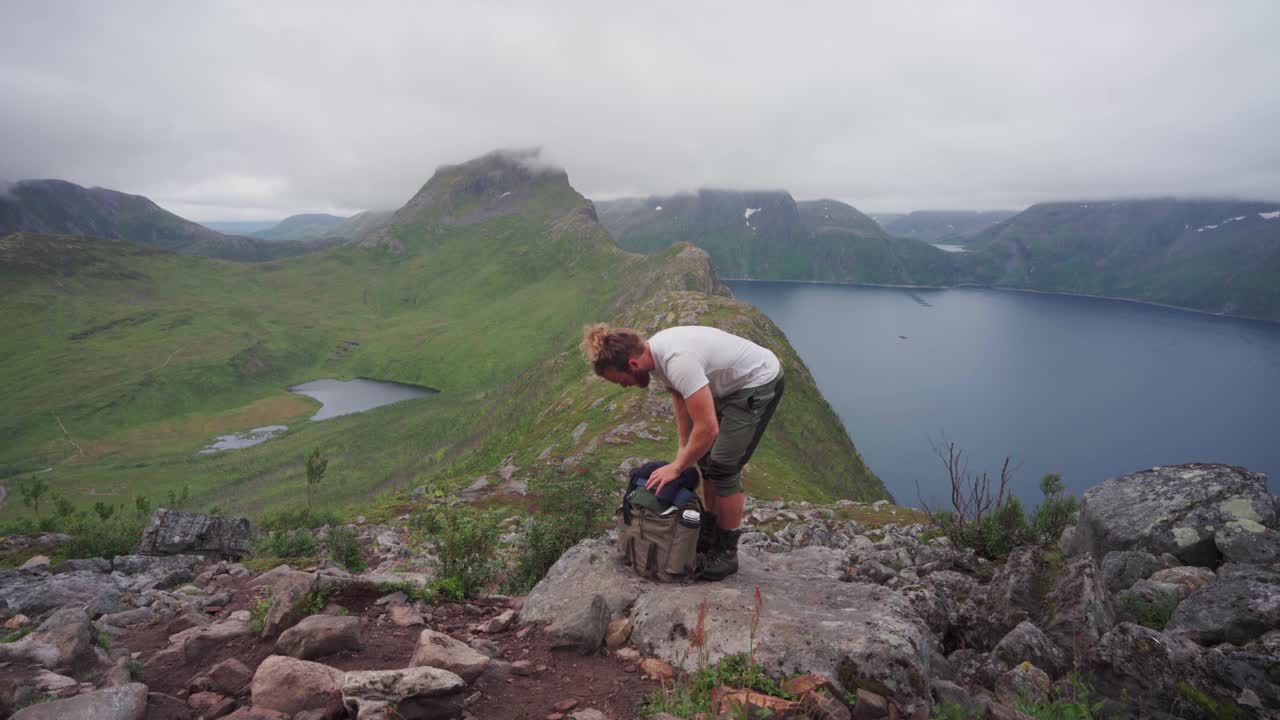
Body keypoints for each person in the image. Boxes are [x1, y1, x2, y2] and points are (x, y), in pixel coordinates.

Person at [581, 323, 785, 580]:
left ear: (632, 365)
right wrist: (683, 449)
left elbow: (708, 428)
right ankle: (709, 531)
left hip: (758, 381)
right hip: (729, 386)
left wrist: (677, 467)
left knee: (723, 466)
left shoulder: (678, 361)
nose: (623, 386)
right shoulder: (655, 357)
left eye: (619, 381)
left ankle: (727, 551)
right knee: (705, 460)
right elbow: (679, 395)